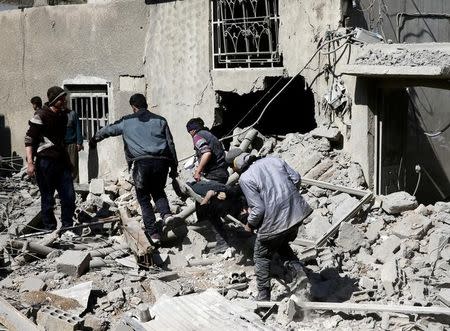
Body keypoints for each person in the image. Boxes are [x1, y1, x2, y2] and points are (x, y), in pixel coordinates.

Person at [89, 93, 178, 244]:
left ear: (133, 107)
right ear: (146, 104)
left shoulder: (127, 121)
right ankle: (167, 215)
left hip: (141, 163)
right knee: (158, 191)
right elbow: (170, 144)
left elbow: (109, 130)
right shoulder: (161, 120)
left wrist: (94, 139)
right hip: (161, 162)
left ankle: (153, 234)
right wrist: (174, 167)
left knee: (143, 199)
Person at [225, 148, 312, 301]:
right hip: (297, 213)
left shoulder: (245, 178)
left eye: (232, 167)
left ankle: (263, 296)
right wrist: (289, 199)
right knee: (280, 243)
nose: (234, 170)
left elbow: (259, 209)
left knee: (261, 255)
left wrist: (250, 225)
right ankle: (299, 272)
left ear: (236, 164)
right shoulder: (274, 160)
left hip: (276, 220)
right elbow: (296, 178)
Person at [25, 86, 76, 231]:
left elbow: (61, 142)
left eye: (64, 98)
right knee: (47, 198)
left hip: (61, 163)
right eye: (61, 99)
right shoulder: (40, 116)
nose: (64, 101)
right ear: (54, 100)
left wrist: (68, 162)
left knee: (69, 196)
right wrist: (30, 163)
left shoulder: (63, 116)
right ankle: (49, 228)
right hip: (45, 163)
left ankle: (67, 227)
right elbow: (29, 140)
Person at [186, 117, 228, 185]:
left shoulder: (197, 136)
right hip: (223, 172)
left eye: (189, 132)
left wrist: (198, 172)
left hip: (214, 174)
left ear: (192, 130)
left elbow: (207, 153)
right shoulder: (210, 135)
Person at [64, 108, 83, 182]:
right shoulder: (58, 114)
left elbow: (78, 128)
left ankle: (75, 186)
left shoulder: (72, 114)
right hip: (61, 145)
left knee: (73, 165)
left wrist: (79, 142)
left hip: (71, 143)